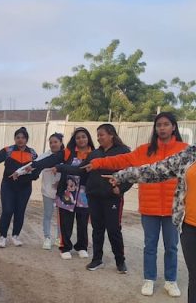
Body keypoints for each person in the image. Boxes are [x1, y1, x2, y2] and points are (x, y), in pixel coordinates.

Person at [85, 112, 187, 297]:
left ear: (174, 127)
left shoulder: (184, 150)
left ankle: (170, 281)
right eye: (158, 125)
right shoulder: (144, 150)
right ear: (155, 129)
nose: (162, 128)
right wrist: (98, 162)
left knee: (171, 246)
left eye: (166, 124)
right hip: (150, 207)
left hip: (174, 208)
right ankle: (149, 279)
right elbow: (121, 160)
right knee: (150, 246)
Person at [103, 144, 196, 303]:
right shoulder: (190, 154)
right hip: (191, 228)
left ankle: (170, 280)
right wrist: (122, 175)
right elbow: (156, 170)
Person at [57, 124, 132, 273]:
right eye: (97, 135)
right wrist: (60, 167)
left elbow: (131, 174)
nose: (98, 138)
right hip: (94, 197)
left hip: (112, 198)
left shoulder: (123, 152)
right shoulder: (95, 154)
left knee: (113, 230)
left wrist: (121, 189)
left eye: (101, 135)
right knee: (97, 229)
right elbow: (80, 170)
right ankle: (97, 259)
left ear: (111, 135)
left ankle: (120, 261)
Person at [11, 127, 95, 260]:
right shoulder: (68, 153)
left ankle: (82, 247)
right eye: (78, 137)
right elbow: (46, 161)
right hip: (68, 192)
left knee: (82, 221)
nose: (81, 140)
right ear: (74, 140)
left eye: (83, 137)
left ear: (88, 138)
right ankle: (65, 247)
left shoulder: (94, 154)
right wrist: (30, 167)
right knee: (66, 221)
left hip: (84, 194)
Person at [37, 132, 64, 250]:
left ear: (61, 143)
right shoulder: (44, 157)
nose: (53, 144)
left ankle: (60, 238)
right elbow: (34, 166)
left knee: (61, 216)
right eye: (51, 142)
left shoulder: (66, 156)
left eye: (55, 142)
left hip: (62, 191)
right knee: (47, 215)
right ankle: (47, 238)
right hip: (47, 190)